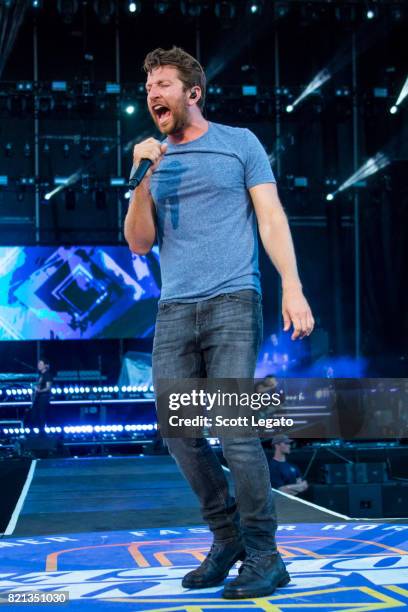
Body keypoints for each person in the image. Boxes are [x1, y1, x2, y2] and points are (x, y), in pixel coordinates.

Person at [124, 46, 314, 599]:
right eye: (149, 86)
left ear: (193, 93)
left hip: (233, 300)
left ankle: (264, 554)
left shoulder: (239, 145)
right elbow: (139, 243)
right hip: (175, 309)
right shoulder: (152, 159)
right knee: (177, 431)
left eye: (163, 84)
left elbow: (271, 217)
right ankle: (226, 535)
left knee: (234, 430)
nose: (153, 94)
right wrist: (142, 177)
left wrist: (293, 285)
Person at [29, 359, 52, 431]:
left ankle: (42, 433)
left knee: (41, 415)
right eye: (38, 364)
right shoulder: (40, 375)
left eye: (41, 364)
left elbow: (48, 388)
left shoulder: (47, 375)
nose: (39, 365)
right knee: (34, 415)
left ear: (45, 366)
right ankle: (36, 432)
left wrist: (39, 390)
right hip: (38, 398)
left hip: (44, 398)